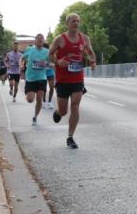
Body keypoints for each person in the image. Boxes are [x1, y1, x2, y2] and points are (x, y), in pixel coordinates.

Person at [49, 13, 97, 148]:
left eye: (78, 21)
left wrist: (93, 61)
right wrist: (58, 61)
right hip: (63, 79)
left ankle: (70, 137)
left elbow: (91, 52)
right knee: (64, 111)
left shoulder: (84, 38)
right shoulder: (60, 39)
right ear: (67, 23)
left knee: (75, 106)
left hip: (77, 78)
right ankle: (58, 113)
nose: (76, 23)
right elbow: (50, 54)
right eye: (73, 21)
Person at [21, 34, 50, 125]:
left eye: (42, 39)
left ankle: (35, 116)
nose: (40, 40)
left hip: (42, 78)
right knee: (30, 99)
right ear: (35, 40)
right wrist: (22, 65)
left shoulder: (47, 52)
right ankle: (28, 95)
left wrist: (46, 64)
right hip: (30, 78)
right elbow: (22, 58)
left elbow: (52, 62)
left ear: (44, 41)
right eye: (38, 39)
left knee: (39, 99)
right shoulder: (30, 49)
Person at [43, 42, 56, 110]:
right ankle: (44, 102)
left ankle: (50, 102)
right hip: (43, 73)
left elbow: (54, 62)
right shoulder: (40, 54)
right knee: (44, 89)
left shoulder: (51, 54)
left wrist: (50, 64)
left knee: (51, 87)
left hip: (50, 72)